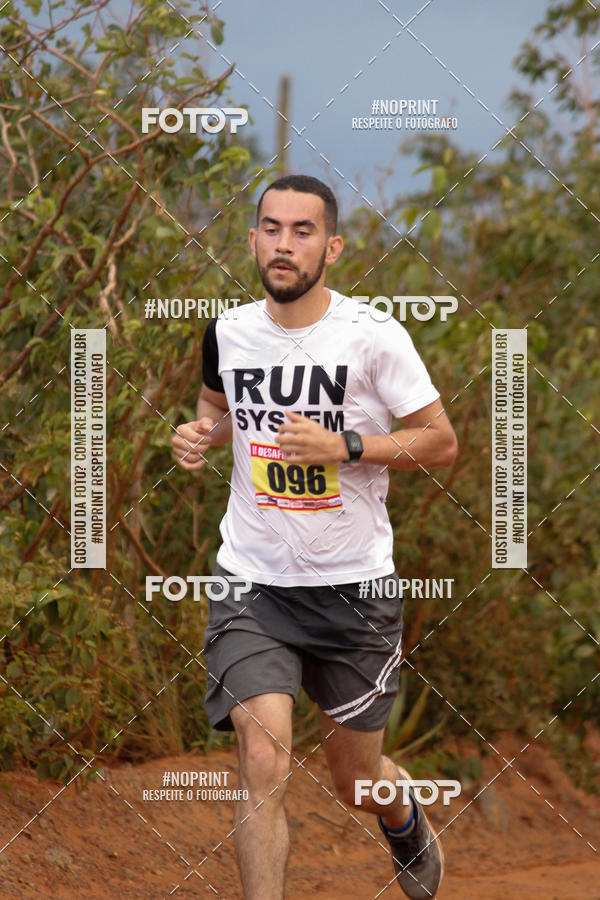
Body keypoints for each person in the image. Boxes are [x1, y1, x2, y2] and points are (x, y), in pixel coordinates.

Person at [172, 174, 457, 899]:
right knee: (263, 758)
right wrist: (201, 433)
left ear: (332, 248)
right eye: (271, 229)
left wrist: (347, 446)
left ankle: (401, 814)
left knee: (355, 783)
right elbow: (216, 405)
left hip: (354, 591)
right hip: (254, 583)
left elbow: (440, 441)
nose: (284, 244)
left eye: (302, 232)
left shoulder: (373, 337)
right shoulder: (228, 333)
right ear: (252, 240)